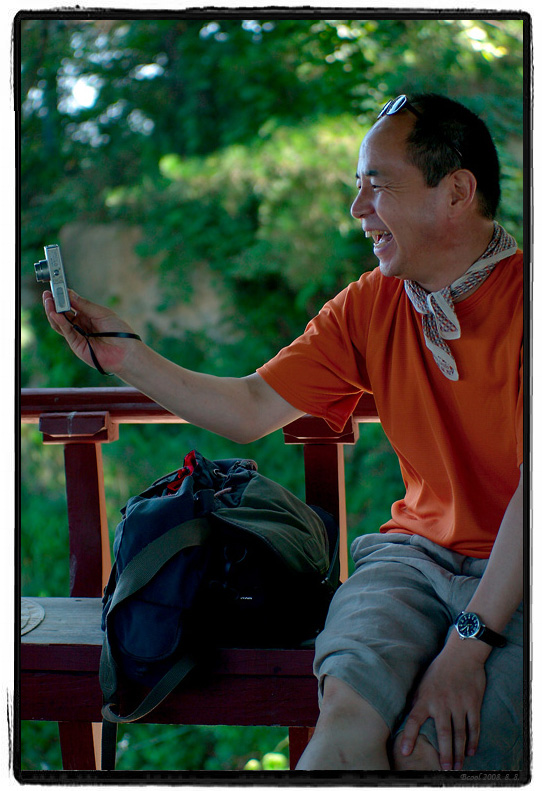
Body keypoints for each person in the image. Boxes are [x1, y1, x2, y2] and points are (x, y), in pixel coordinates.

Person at [42, 93, 524, 772]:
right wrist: (126, 357)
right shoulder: (370, 303)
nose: (357, 209)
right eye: (356, 186)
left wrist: (468, 646)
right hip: (411, 560)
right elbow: (251, 406)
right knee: (346, 718)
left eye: (377, 186)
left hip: (521, 571)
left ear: (456, 191)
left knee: (432, 752)